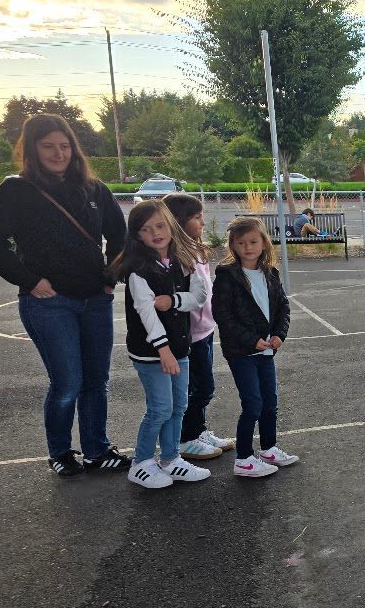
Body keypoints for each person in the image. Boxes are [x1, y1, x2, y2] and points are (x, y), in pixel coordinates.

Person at [0, 114, 131, 477]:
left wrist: (111, 277)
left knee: (96, 382)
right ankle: (60, 452)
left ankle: (96, 450)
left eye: (64, 146)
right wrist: (30, 281)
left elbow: (120, 236)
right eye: (48, 146)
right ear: (32, 149)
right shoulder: (16, 191)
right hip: (48, 303)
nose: (58, 154)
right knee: (68, 383)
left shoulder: (94, 189)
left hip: (95, 300)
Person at [110, 201, 212, 489]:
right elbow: (147, 314)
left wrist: (175, 300)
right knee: (160, 409)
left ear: (171, 226)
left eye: (160, 226)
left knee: (179, 406)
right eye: (146, 229)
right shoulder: (138, 271)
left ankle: (170, 458)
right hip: (152, 352)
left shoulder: (183, 260)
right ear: (136, 234)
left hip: (179, 348)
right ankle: (141, 462)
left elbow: (199, 297)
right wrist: (163, 351)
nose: (155, 233)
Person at [212, 217, 297, 477]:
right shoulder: (227, 275)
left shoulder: (270, 273)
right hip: (242, 352)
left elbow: (283, 307)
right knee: (253, 404)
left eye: (253, 241)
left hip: (266, 351)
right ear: (233, 245)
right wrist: (251, 340)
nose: (248, 247)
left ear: (263, 243)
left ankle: (269, 449)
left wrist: (280, 334)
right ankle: (244, 459)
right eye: (241, 243)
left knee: (270, 402)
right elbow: (223, 315)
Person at [163, 193, 236, 461]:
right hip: (189, 335)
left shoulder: (194, 249)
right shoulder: (176, 257)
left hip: (204, 330)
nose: (203, 222)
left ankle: (198, 429)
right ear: (179, 221)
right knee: (198, 388)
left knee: (203, 386)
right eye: (196, 217)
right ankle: (186, 438)